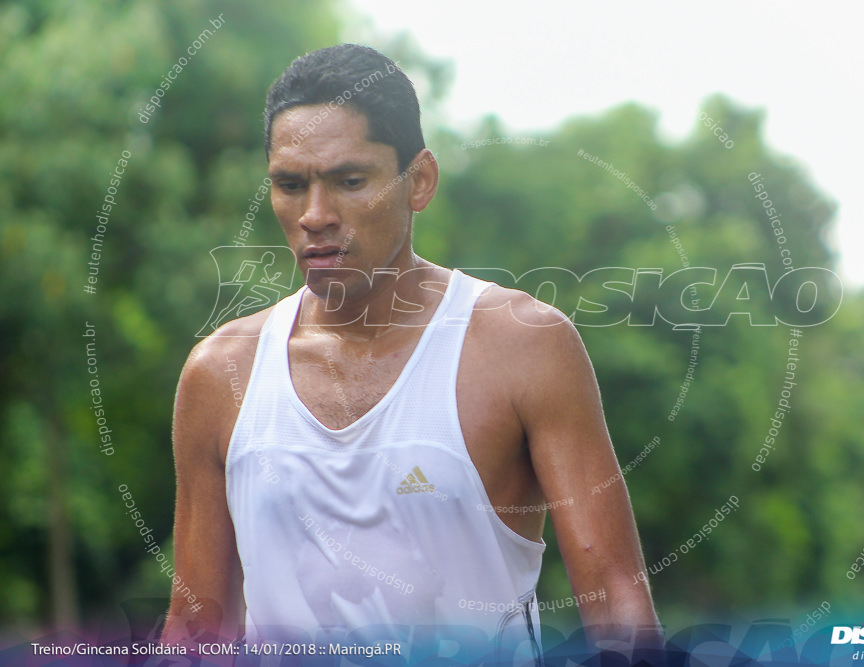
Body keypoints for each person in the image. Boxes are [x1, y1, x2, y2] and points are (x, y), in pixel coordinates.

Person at [161, 44, 660, 660]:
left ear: (418, 181)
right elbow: (194, 629)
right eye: (291, 185)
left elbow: (617, 602)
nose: (315, 215)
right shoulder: (220, 373)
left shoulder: (522, 346)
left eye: (349, 181)